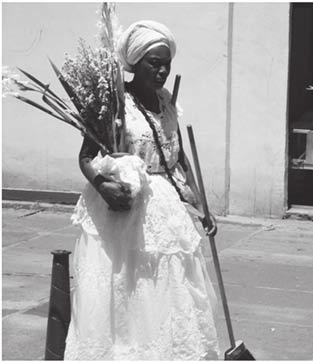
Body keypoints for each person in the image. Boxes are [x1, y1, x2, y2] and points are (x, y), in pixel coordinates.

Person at [64, 20, 219, 360]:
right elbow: (86, 157)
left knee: (166, 291)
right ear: (135, 62)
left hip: (167, 214)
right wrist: (103, 186)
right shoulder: (116, 103)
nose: (162, 70)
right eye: (154, 63)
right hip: (123, 218)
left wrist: (201, 205)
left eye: (167, 63)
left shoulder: (168, 103)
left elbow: (179, 160)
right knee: (126, 293)